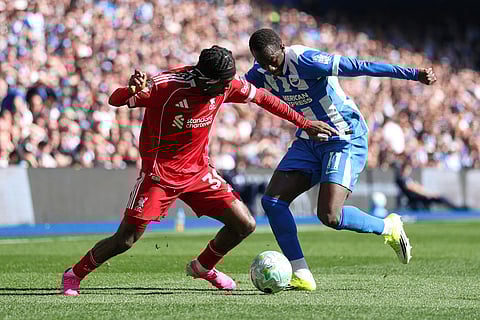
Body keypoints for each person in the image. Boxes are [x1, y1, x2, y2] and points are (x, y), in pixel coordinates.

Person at [61, 45, 339, 296]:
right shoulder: (166, 86)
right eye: (223, 84)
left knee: (244, 224)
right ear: (207, 80)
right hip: (160, 175)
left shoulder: (226, 84)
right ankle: (75, 274)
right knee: (126, 238)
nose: (230, 88)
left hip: (198, 173)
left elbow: (264, 98)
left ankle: (203, 267)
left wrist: (304, 122)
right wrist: (130, 90)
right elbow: (116, 100)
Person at [245, 28, 437, 291]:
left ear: (282, 46)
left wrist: (413, 74)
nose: (270, 68)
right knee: (273, 202)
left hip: (343, 135)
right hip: (309, 139)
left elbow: (360, 66)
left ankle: (388, 226)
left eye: (273, 61)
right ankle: (301, 273)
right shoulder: (258, 73)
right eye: (262, 62)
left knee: (329, 215)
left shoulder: (305, 60)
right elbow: (231, 87)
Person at [395, 162, 466, 211]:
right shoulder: (402, 179)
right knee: (440, 198)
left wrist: (427, 192)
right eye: (406, 169)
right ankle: (456, 208)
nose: (408, 171)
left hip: (421, 195)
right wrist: (429, 194)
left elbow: (418, 187)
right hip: (417, 197)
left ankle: (455, 207)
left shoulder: (408, 178)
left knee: (440, 197)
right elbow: (414, 189)